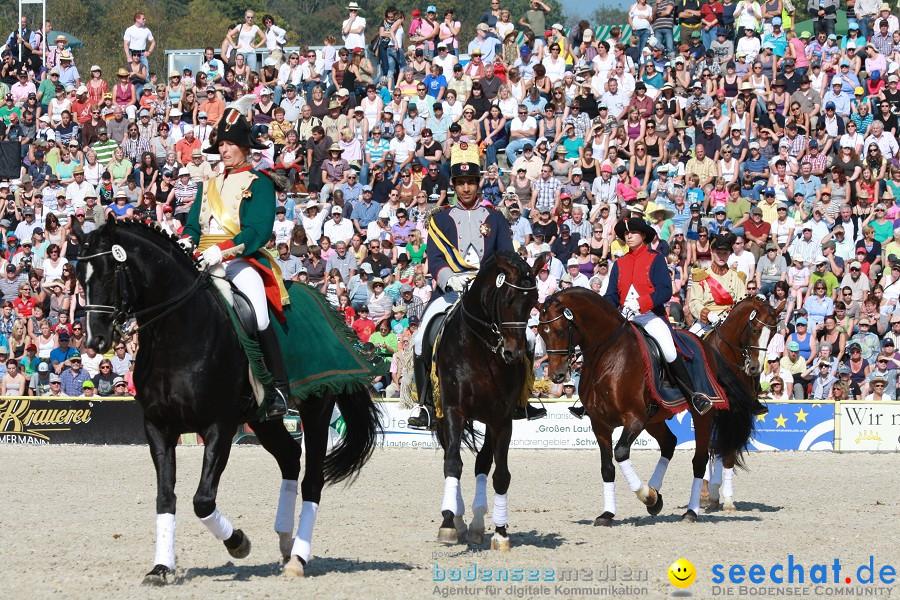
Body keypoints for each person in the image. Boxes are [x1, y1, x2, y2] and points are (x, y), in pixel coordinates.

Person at [407, 142, 545, 429]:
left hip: (487, 296)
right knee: (422, 338)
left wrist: (495, 284)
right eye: (461, 183)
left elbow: (506, 257)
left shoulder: (494, 218)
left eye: (471, 182)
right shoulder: (440, 218)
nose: (466, 188)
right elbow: (433, 259)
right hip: (450, 292)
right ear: (454, 185)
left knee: (528, 339)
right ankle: (426, 406)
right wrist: (448, 277)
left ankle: (521, 400)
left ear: (478, 183)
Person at [181, 106, 288, 419]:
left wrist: (222, 251)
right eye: (221, 145)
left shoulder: (260, 183)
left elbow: (257, 231)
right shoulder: (209, 183)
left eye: (229, 145)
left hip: (239, 261)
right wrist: (186, 240)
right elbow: (192, 225)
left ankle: (279, 388)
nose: (224, 150)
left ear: (245, 148)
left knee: (259, 313)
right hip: (201, 259)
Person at [572, 217, 713, 417]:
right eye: (626, 234)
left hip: (649, 315)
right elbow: (611, 295)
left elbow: (664, 291)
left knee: (668, 349)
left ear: (644, 235)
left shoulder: (656, 259)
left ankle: (693, 395)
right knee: (599, 346)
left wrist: (641, 303)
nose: (628, 236)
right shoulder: (619, 263)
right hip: (623, 316)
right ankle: (587, 399)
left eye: (633, 233)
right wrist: (607, 313)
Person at [688, 232, 747, 333]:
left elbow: (742, 303)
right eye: (718, 252)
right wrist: (708, 315)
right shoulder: (701, 275)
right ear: (712, 252)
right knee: (689, 344)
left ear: (730, 254)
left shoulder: (737, 277)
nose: (721, 256)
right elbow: (694, 302)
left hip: (731, 322)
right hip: (706, 322)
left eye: (725, 253)